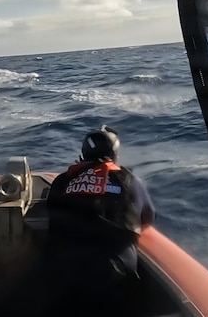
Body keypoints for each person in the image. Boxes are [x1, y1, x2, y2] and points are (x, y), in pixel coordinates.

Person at [44, 125, 156, 313]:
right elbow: (148, 217)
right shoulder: (130, 181)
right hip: (116, 275)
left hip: (66, 273)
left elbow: (52, 210)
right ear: (115, 155)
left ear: (83, 153)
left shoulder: (63, 180)